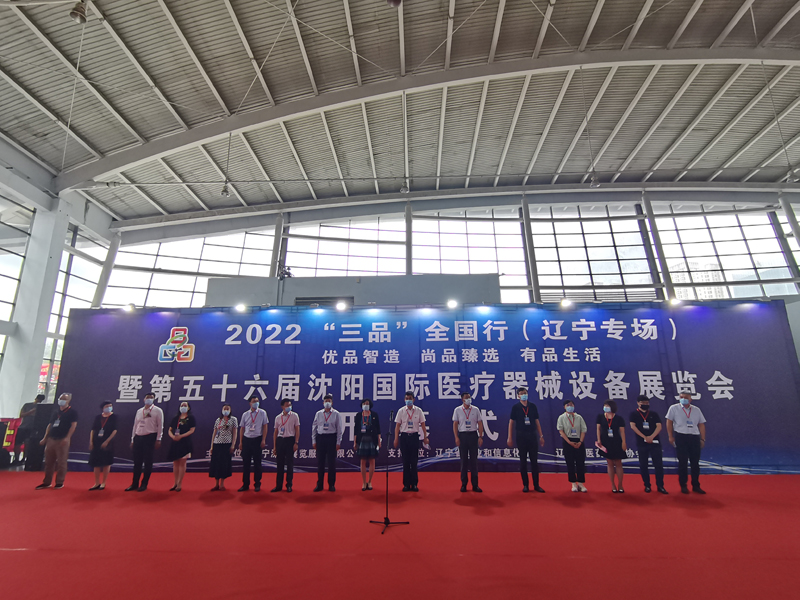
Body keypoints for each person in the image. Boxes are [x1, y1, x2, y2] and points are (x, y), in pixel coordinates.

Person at [666, 392, 707, 494]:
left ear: (690, 399)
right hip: (681, 437)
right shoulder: (674, 408)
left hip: (694, 437)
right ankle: (683, 485)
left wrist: (702, 439)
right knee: (683, 463)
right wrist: (670, 436)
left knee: (695, 463)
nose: (683, 399)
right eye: (681, 397)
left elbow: (701, 424)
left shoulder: (696, 410)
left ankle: (696, 485)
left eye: (686, 397)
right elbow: (669, 422)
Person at [35, 393, 78, 490]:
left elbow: (73, 426)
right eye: (60, 398)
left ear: (68, 401)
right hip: (51, 439)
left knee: (61, 462)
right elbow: (50, 425)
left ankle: (59, 482)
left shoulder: (72, 412)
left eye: (64, 399)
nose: (61, 400)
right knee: (49, 462)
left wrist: (67, 438)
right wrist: (45, 438)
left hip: (62, 439)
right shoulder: (56, 412)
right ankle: (47, 482)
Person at [507, 387, 545, 493]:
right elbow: (511, 422)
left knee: (534, 461)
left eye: (525, 393)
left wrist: (541, 436)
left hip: (532, 435)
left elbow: (537, 421)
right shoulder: (516, 407)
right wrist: (509, 437)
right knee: (523, 461)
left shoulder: (532, 406)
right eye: (521, 393)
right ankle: (525, 485)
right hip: (521, 436)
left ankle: (536, 485)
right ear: (518, 396)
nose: (524, 395)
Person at [629, 394, 667, 494]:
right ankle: (647, 485)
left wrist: (651, 437)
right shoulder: (634, 414)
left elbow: (659, 426)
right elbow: (633, 426)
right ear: (638, 403)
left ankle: (660, 486)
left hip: (655, 442)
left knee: (658, 465)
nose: (645, 404)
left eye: (647, 403)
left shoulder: (653, 414)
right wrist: (644, 437)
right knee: (643, 465)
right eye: (643, 403)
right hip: (642, 443)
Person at [126, 393, 163, 492]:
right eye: (147, 397)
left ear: (154, 399)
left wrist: (159, 439)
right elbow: (135, 426)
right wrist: (133, 439)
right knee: (137, 462)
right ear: (144, 399)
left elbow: (160, 426)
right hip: (138, 437)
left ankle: (144, 484)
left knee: (147, 462)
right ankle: (134, 484)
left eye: (151, 398)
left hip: (150, 437)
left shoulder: (158, 411)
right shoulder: (139, 411)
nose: (149, 399)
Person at [394, 391, 429, 492]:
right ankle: (406, 484)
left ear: (414, 399)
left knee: (414, 462)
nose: (408, 400)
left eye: (410, 398)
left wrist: (425, 437)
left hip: (414, 437)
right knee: (405, 462)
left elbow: (423, 425)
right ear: (404, 400)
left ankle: (414, 484)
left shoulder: (418, 410)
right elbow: (397, 426)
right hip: (404, 437)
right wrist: (396, 439)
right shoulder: (401, 411)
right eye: (407, 398)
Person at [453, 391, 484, 493]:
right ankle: (464, 484)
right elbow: (455, 424)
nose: (468, 399)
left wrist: (480, 436)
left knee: (474, 461)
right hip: (463, 435)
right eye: (466, 398)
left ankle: (475, 485)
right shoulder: (457, 410)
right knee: (464, 461)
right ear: (462, 399)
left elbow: (480, 423)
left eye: (469, 397)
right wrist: (456, 437)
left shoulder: (475, 409)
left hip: (473, 435)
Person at [312, 394, 343, 492]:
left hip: (331, 438)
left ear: (332, 403)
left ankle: (331, 485)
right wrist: (314, 441)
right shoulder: (318, 414)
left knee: (331, 463)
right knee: (320, 463)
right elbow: (314, 428)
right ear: (323, 403)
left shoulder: (336, 414)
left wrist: (338, 442)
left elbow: (339, 429)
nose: (327, 403)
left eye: (329, 401)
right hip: (321, 438)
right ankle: (320, 485)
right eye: (326, 401)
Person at [238, 395, 268, 492]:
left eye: (257, 401)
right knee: (246, 464)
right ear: (250, 403)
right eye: (254, 401)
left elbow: (265, 426)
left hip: (257, 439)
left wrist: (263, 440)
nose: (256, 403)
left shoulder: (262, 413)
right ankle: (245, 484)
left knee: (257, 463)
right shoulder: (245, 414)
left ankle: (257, 484)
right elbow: (242, 428)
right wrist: (241, 442)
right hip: (247, 440)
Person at [596, 400, 627, 493]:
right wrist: (599, 440)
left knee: (618, 463)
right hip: (605, 442)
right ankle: (613, 484)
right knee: (609, 463)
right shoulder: (600, 417)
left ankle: (620, 484)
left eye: (608, 406)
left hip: (616, 442)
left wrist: (624, 442)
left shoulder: (619, 418)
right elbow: (598, 429)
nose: (606, 407)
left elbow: (622, 431)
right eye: (605, 405)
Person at [556, 400, 587, 492]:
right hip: (568, 442)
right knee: (570, 463)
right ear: (564, 407)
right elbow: (561, 431)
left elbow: (583, 430)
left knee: (580, 463)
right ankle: (573, 483)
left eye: (572, 405)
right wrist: (569, 442)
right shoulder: (561, 417)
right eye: (568, 405)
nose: (570, 406)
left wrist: (580, 441)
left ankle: (581, 483)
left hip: (579, 441)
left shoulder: (579, 417)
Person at [88, 401, 118, 490]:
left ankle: (104, 482)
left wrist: (107, 441)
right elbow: (93, 430)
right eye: (107, 406)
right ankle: (97, 483)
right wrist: (91, 441)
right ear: (102, 408)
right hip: (96, 442)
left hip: (107, 443)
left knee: (106, 463)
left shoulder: (114, 417)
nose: (109, 407)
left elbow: (115, 430)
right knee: (96, 463)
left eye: (110, 406)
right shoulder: (98, 417)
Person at [167, 402, 196, 492]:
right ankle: (175, 482)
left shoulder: (190, 418)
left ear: (188, 408)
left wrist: (181, 436)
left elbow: (192, 430)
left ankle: (180, 483)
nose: (183, 407)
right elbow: (170, 430)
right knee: (175, 463)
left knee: (182, 463)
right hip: (175, 442)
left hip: (185, 442)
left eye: (185, 406)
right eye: (182, 406)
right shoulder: (176, 418)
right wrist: (173, 437)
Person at [272, 399, 300, 493]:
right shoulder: (278, 417)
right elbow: (275, 432)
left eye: (290, 405)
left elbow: (297, 429)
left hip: (290, 440)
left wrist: (296, 442)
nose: (289, 407)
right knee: (279, 464)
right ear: (282, 407)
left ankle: (289, 485)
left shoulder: (294, 416)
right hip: (280, 440)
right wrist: (275, 446)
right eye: (287, 405)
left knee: (289, 464)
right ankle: (278, 486)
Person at [209, 404, 237, 491]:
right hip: (217, 444)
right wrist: (212, 446)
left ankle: (222, 484)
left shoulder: (233, 420)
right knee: (216, 464)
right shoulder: (218, 420)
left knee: (224, 464)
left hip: (226, 444)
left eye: (228, 408)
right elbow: (214, 433)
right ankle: (216, 484)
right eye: (224, 408)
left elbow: (235, 433)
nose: (226, 410)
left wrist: (233, 445)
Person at [354, 398, 381, 491]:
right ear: (362, 405)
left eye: (367, 403)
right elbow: (356, 430)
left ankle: (369, 481)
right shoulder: (358, 415)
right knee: (362, 461)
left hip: (372, 439)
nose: (366, 405)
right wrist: (355, 442)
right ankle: (364, 481)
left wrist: (379, 441)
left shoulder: (374, 415)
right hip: (362, 439)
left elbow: (378, 429)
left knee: (372, 460)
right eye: (364, 403)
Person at [14, 394, 43, 464]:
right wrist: (31, 412)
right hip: (23, 426)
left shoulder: (40, 408)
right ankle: (16, 458)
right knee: (17, 443)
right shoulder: (27, 405)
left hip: (32, 427)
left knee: (27, 443)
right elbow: (21, 415)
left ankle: (24, 458)